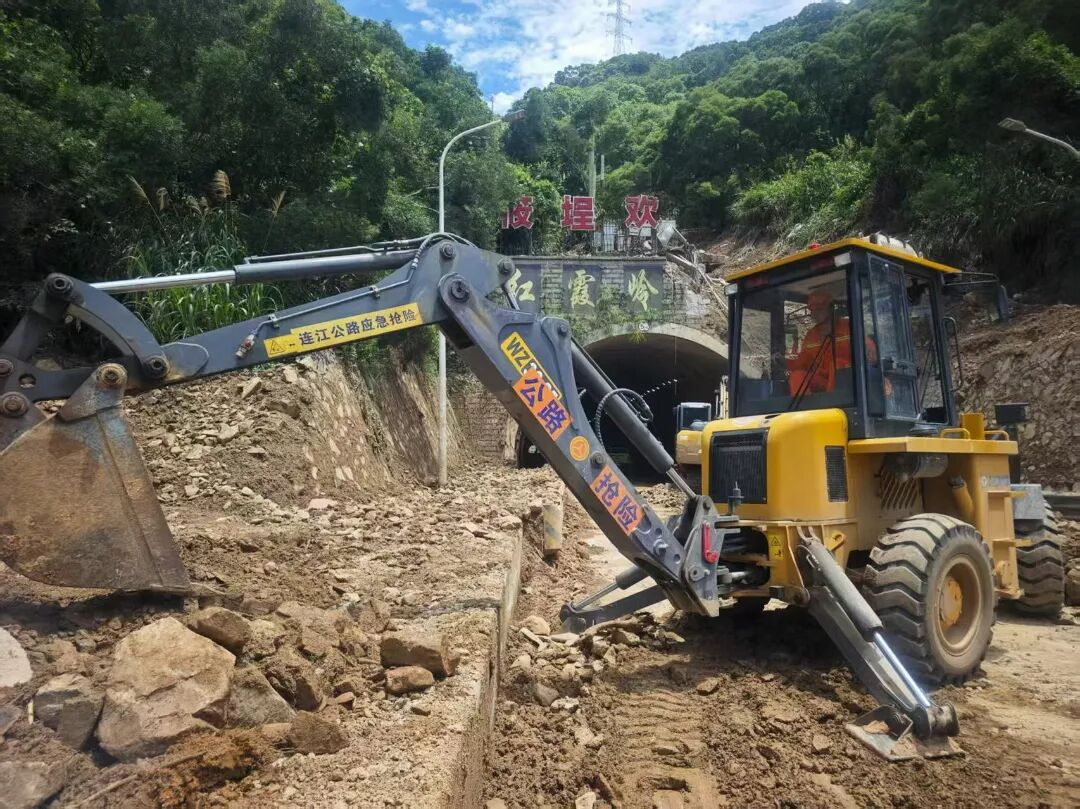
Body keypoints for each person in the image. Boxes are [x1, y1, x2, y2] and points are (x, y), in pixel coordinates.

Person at [787, 289, 876, 395]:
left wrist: (867, 356)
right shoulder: (811, 335)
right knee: (797, 376)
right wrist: (785, 362)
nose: (815, 313)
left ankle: (833, 400)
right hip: (823, 381)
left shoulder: (849, 327)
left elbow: (871, 354)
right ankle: (804, 405)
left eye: (819, 308)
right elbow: (802, 363)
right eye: (812, 309)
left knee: (837, 363)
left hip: (851, 385)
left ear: (830, 308)